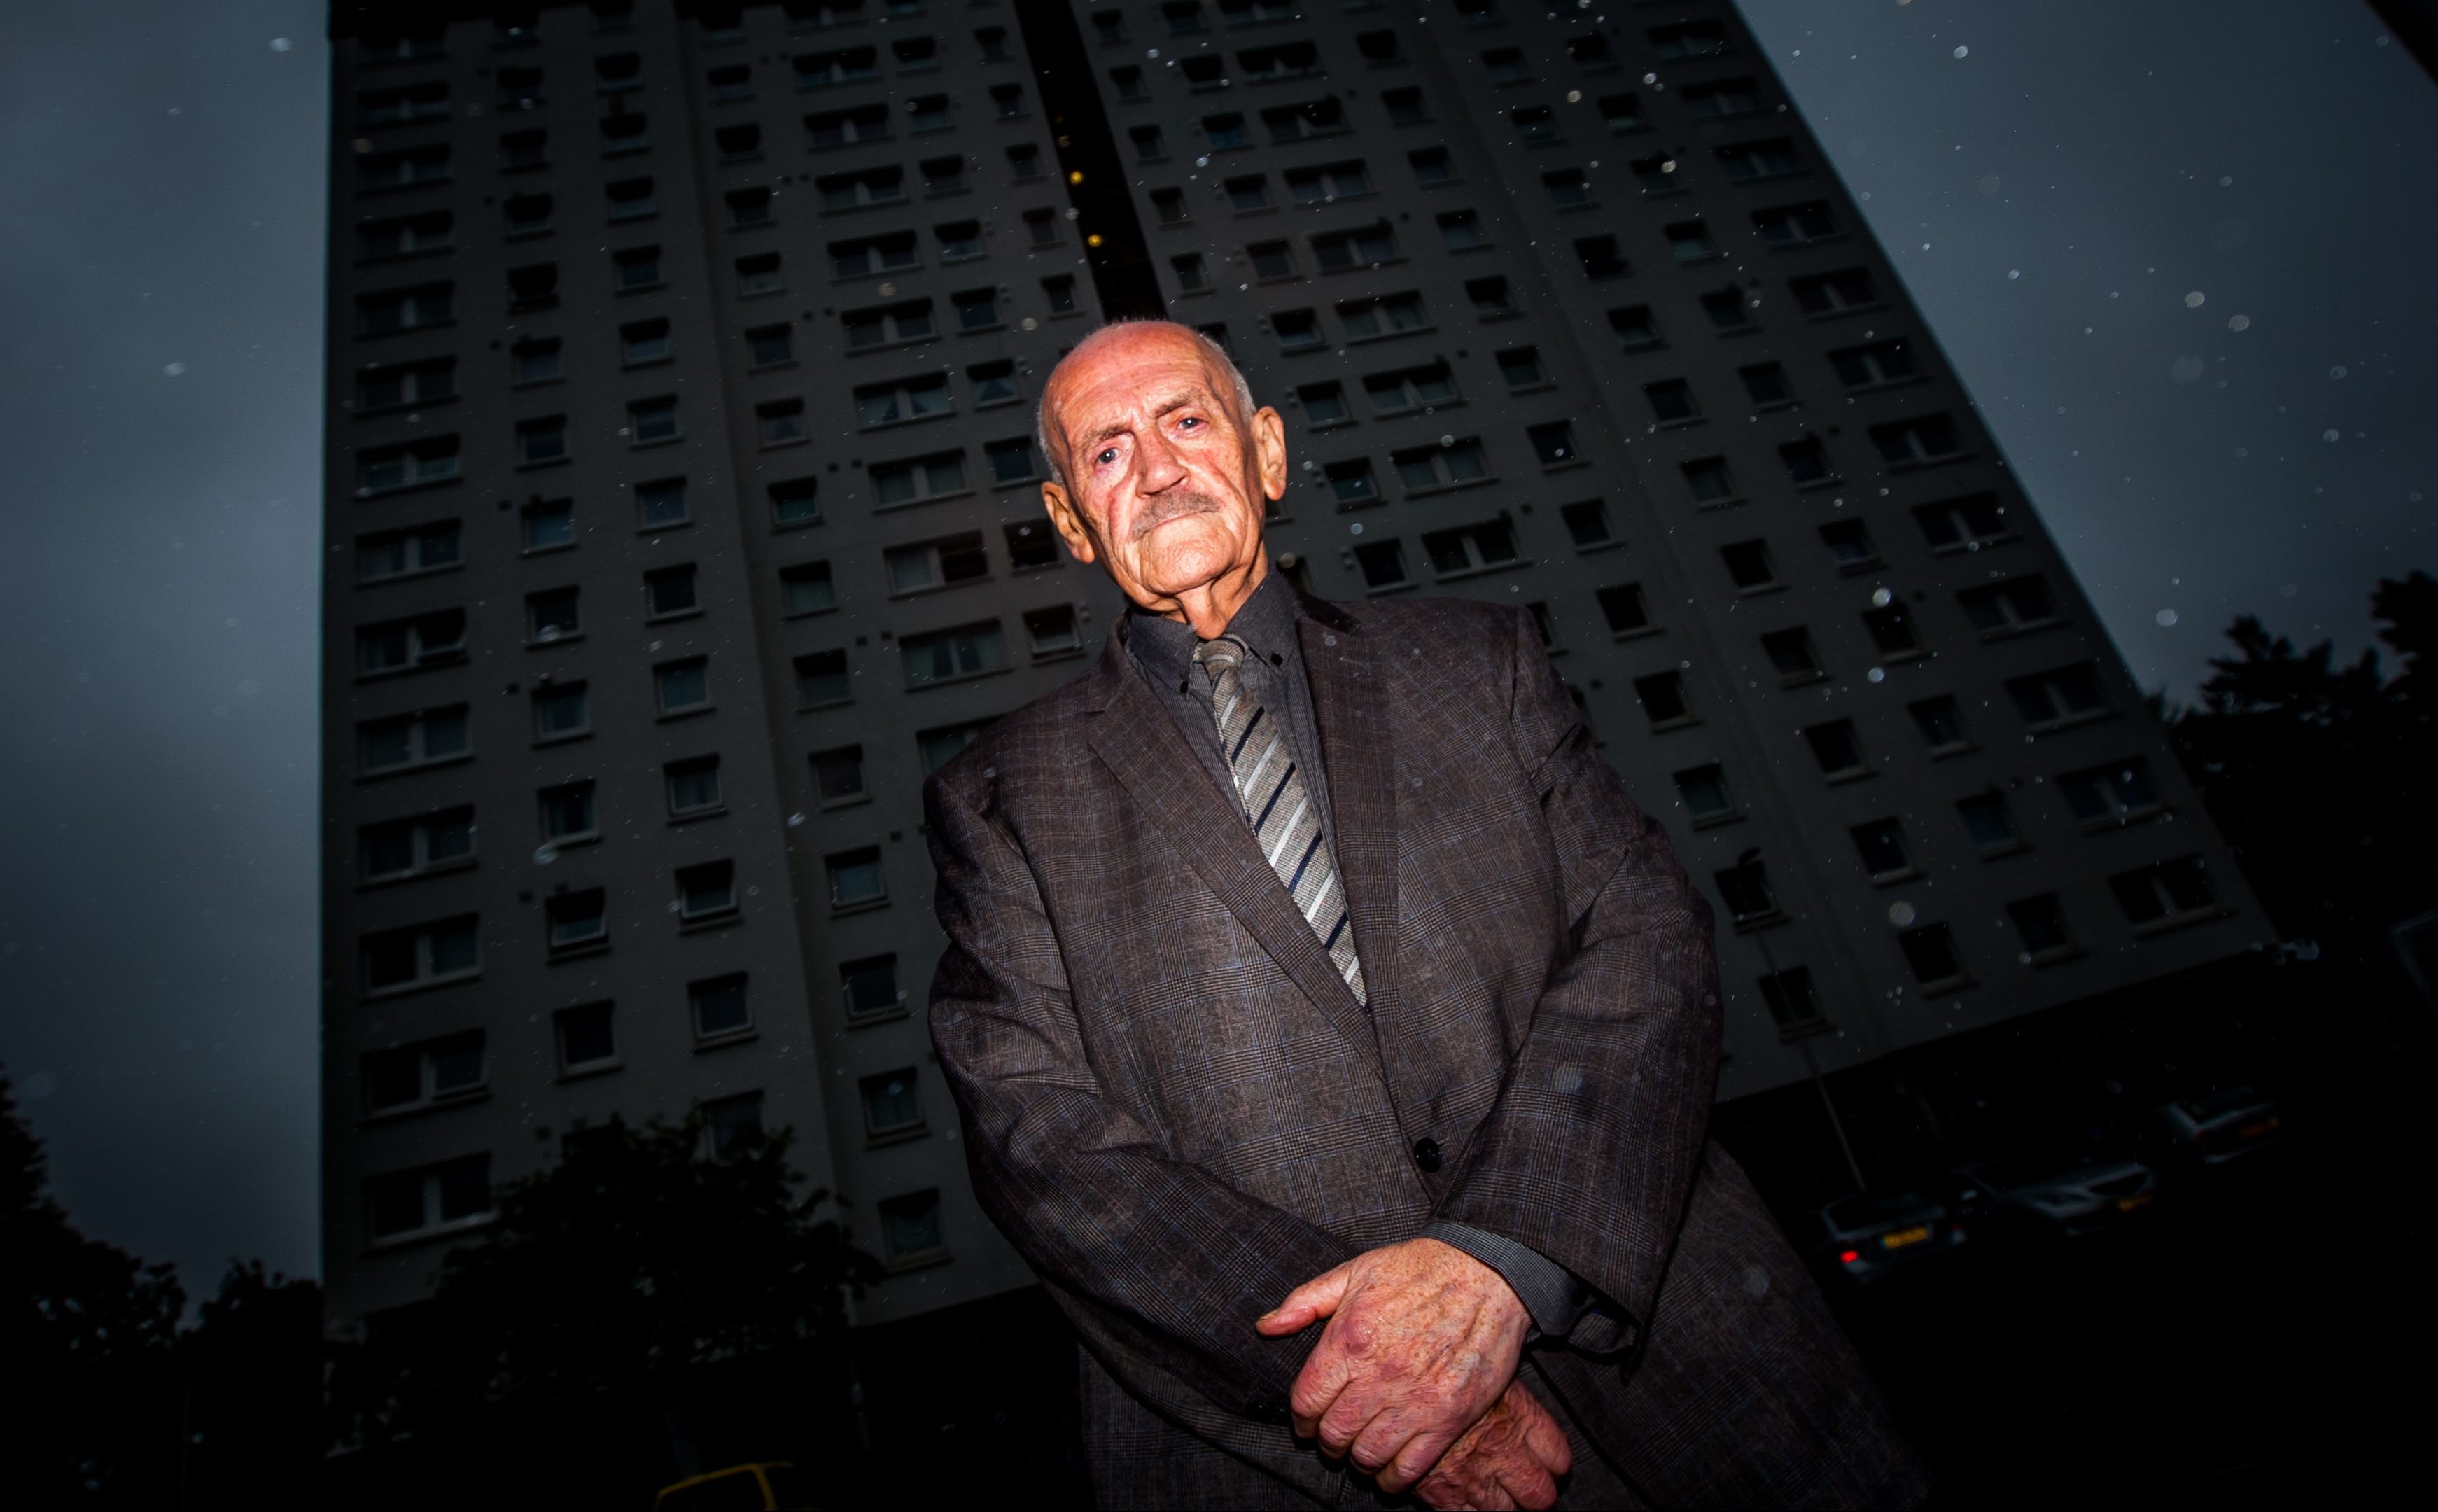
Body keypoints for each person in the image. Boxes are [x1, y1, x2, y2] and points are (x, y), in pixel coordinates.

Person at [925, 320, 1926, 1508]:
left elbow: (1646, 939)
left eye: (1187, 421)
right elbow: (1035, 1140)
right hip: (1290, 1457)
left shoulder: (1479, 660)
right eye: (1106, 450)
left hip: (1687, 1387)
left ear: (1269, 453)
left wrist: (1505, 1264)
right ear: (1068, 518)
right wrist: (1371, 1378)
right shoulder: (999, 795)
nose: (1155, 468)